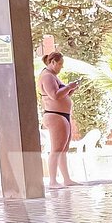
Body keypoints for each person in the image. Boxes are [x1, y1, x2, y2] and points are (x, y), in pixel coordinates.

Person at [38, 52, 80, 190]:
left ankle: (66, 179)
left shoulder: (53, 76)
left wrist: (71, 89)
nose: (61, 67)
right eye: (60, 64)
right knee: (56, 149)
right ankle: (52, 180)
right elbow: (54, 96)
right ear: (53, 62)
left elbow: (62, 94)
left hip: (63, 114)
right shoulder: (47, 76)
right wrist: (68, 87)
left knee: (63, 149)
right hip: (55, 115)